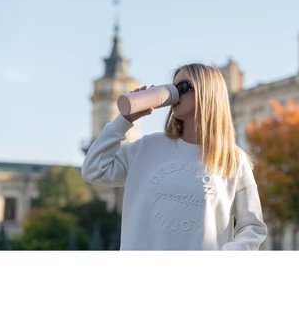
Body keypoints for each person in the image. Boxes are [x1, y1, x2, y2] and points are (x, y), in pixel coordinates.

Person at [81, 63, 268, 250]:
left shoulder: (233, 160)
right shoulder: (146, 147)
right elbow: (94, 170)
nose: (175, 93)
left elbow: (253, 226)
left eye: (183, 87)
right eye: (173, 87)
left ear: (207, 93)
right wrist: (124, 120)